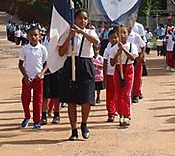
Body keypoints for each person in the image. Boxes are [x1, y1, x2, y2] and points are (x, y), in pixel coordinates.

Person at [58, 9, 99, 141]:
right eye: (80, 18)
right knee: (71, 100)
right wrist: (70, 36)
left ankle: (84, 124)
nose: (83, 21)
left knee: (87, 98)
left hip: (86, 64)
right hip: (71, 64)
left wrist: (81, 32)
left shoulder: (90, 31)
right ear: (74, 19)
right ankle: (73, 129)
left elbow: (96, 41)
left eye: (85, 18)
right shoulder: (67, 32)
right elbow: (61, 52)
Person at [108, 25, 138, 127]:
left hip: (128, 69)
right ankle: (121, 114)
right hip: (117, 69)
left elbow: (133, 58)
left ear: (128, 34)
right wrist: (118, 53)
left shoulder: (131, 46)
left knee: (126, 94)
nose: (123, 35)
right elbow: (112, 62)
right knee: (118, 93)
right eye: (121, 33)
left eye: (124, 33)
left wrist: (124, 50)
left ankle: (127, 114)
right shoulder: (114, 47)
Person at [18, 26, 48, 129]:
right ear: (27, 36)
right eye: (31, 35)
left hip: (38, 79)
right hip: (27, 78)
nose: (33, 37)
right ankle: (27, 116)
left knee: (38, 100)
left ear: (40, 36)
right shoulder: (25, 49)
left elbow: (46, 64)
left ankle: (36, 121)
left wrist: (41, 73)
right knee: (25, 99)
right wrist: (25, 76)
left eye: (35, 35)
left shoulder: (43, 49)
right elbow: (20, 64)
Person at [40, 27, 61, 125]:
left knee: (57, 95)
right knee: (45, 96)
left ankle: (57, 114)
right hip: (46, 73)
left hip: (57, 71)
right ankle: (43, 115)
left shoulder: (58, 44)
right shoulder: (43, 46)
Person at [102, 28, 120, 123]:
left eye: (115, 37)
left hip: (118, 72)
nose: (114, 39)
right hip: (109, 73)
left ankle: (119, 109)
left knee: (119, 93)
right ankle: (111, 112)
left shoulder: (120, 46)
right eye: (111, 38)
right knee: (110, 94)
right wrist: (104, 75)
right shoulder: (107, 48)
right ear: (108, 39)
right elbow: (105, 62)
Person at [128, 20, 148, 102]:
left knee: (137, 76)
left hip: (137, 56)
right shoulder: (122, 35)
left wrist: (142, 56)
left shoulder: (136, 34)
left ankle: (136, 94)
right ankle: (130, 93)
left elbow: (143, 45)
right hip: (127, 58)